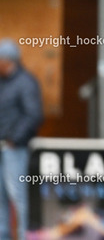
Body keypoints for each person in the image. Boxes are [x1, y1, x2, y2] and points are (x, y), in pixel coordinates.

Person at [0, 39, 43, 240]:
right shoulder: (3, 82)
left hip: (14, 149)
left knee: (17, 196)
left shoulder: (26, 82)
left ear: (8, 60)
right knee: (0, 197)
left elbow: (33, 115)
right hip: (2, 146)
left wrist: (14, 139)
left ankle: (22, 236)